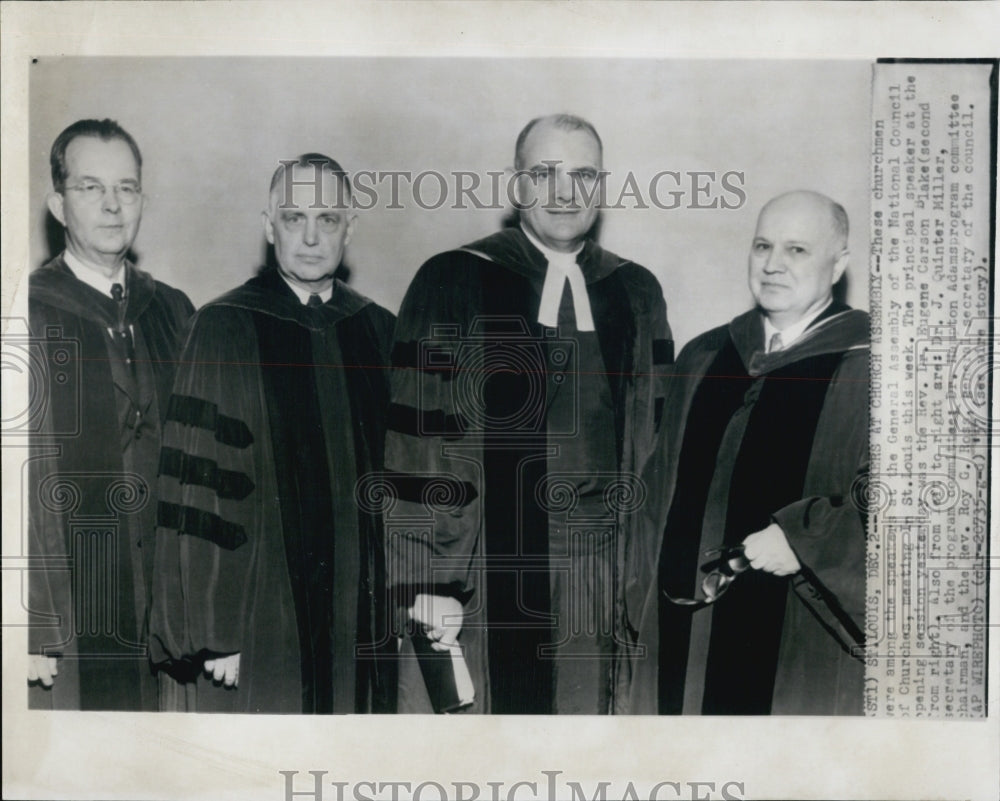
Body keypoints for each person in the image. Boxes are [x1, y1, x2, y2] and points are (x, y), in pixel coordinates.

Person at [385, 114, 673, 714]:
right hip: (487, 567)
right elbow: (419, 445)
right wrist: (429, 583)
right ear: (516, 185)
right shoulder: (454, 280)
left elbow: (657, 449)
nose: (566, 192)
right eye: (545, 174)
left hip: (603, 574)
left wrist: (643, 581)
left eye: (584, 175)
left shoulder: (635, 293)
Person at [148, 154, 396, 713]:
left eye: (328, 219)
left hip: (359, 615)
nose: (310, 237)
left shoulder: (379, 332)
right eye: (293, 218)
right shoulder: (223, 327)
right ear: (268, 226)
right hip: (258, 616)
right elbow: (199, 490)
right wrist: (214, 629)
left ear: (349, 230)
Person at [628, 190, 869, 716]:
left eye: (797, 250)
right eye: (763, 246)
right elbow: (655, 496)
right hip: (685, 630)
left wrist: (807, 540)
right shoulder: (707, 355)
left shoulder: (873, 366)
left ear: (839, 265)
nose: (773, 265)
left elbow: (901, 507)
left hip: (799, 643)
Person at [27, 118, 195, 710]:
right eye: (90, 187)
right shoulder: (25, 314)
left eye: (126, 188)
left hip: (166, 604)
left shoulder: (174, 312)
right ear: (57, 202)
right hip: (71, 598)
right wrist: (33, 617)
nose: (112, 205)